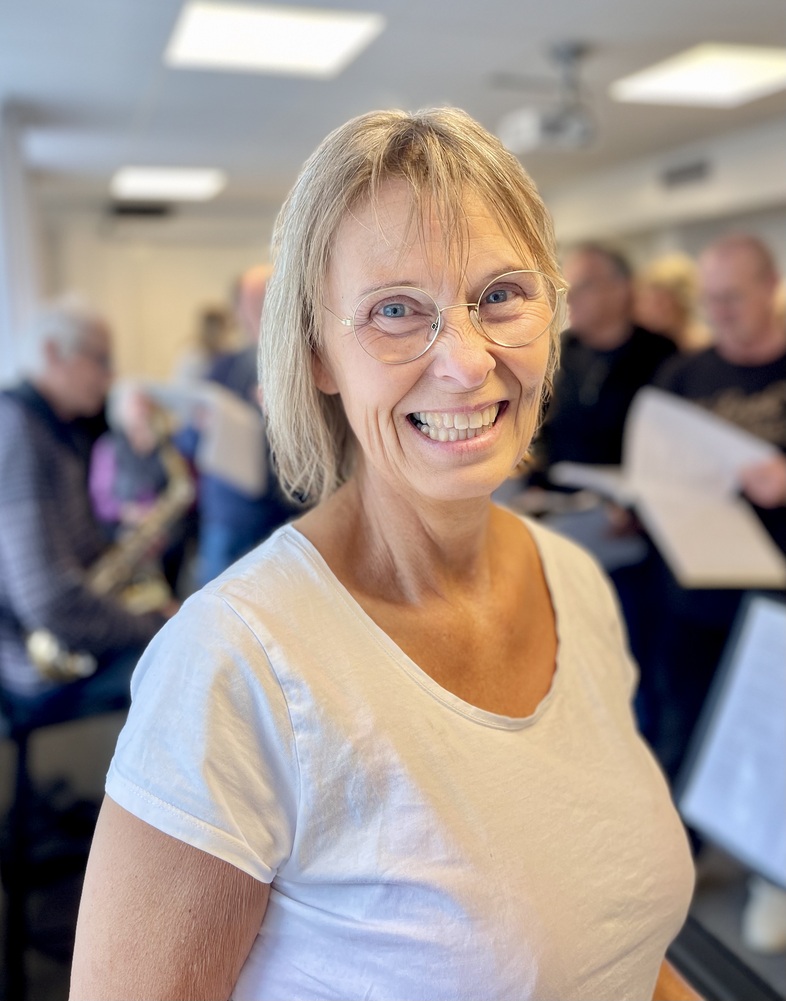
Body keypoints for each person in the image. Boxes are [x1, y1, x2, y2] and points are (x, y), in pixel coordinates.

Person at [71, 108, 698, 1001]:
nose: (468, 362)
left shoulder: (575, 584)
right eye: (396, 310)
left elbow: (622, 951)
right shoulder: (236, 664)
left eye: (500, 296)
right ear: (318, 351)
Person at [0, 301, 169, 727]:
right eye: (101, 360)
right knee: (183, 661)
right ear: (54, 352)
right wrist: (153, 621)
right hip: (37, 663)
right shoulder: (19, 430)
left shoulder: (53, 428)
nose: (110, 376)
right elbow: (49, 600)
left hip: (58, 641)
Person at [184, 264, 299, 586]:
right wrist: (202, 427)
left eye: (266, 300)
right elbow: (187, 442)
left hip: (289, 514)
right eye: (251, 303)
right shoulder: (223, 368)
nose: (259, 312)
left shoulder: (305, 364)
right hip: (229, 518)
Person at [533, 243, 678, 472]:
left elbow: (671, 445)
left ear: (620, 289)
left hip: (629, 497)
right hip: (556, 496)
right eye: (567, 286)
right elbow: (538, 431)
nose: (570, 297)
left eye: (585, 286)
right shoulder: (556, 352)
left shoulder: (661, 356)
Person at [634, 252, 710, 353]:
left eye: (660, 301)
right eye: (644, 301)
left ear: (682, 301)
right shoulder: (648, 348)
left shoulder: (700, 347)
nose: (647, 310)